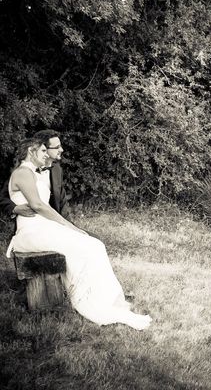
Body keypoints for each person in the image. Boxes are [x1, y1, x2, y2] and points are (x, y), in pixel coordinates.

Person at [4, 137, 152, 330]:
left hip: (43, 228)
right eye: (42, 151)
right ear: (31, 152)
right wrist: (69, 226)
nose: (45, 154)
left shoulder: (32, 173)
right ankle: (92, 300)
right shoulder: (23, 172)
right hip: (32, 232)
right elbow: (38, 205)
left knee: (94, 245)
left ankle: (106, 297)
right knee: (87, 245)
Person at [0, 129, 69, 224]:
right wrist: (14, 209)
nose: (61, 150)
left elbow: (62, 201)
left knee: (92, 238)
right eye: (57, 147)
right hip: (32, 223)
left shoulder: (57, 169)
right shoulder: (23, 171)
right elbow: (3, 197)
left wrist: (70, 226)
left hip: (55, 222)